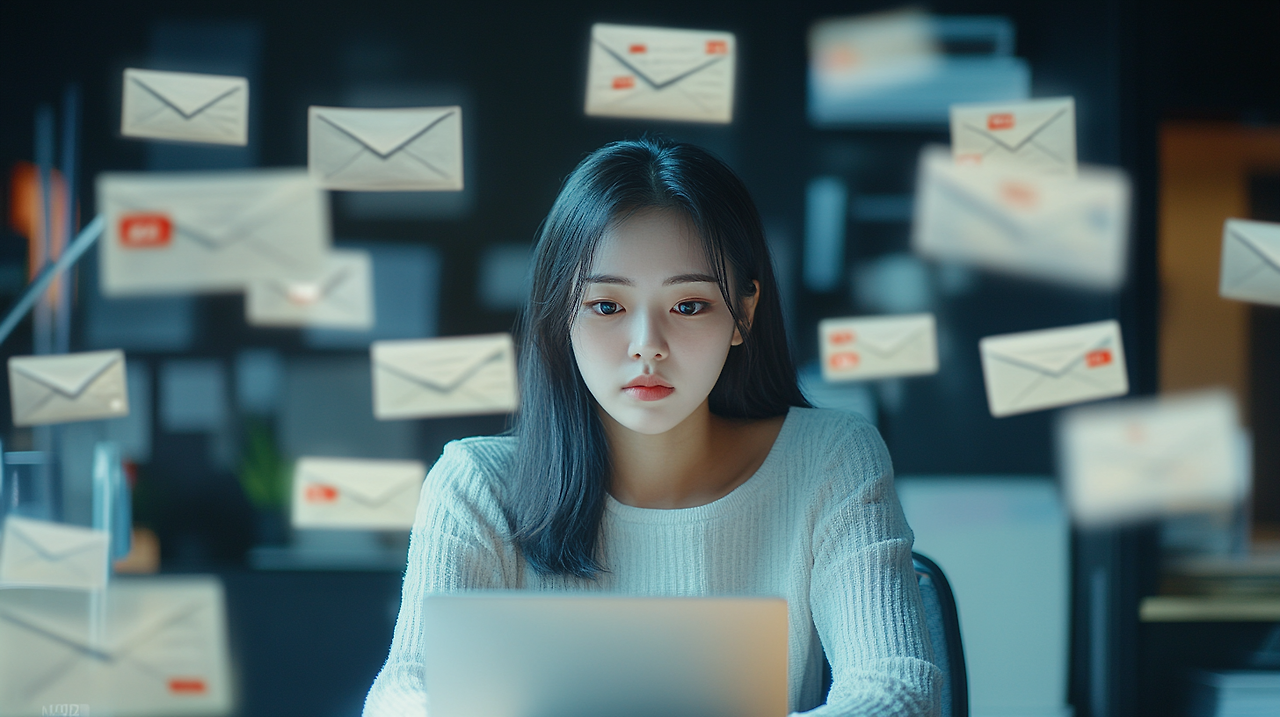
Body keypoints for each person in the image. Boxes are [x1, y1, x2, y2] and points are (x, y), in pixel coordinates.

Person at [363, 137, 940, 716]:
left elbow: (897, 687)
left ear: (743, 314)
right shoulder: (474, 486)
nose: (648, 348)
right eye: (607, 306)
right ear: (561, 315)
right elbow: (403, 693)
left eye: (688, 305)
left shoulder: (830, 459)